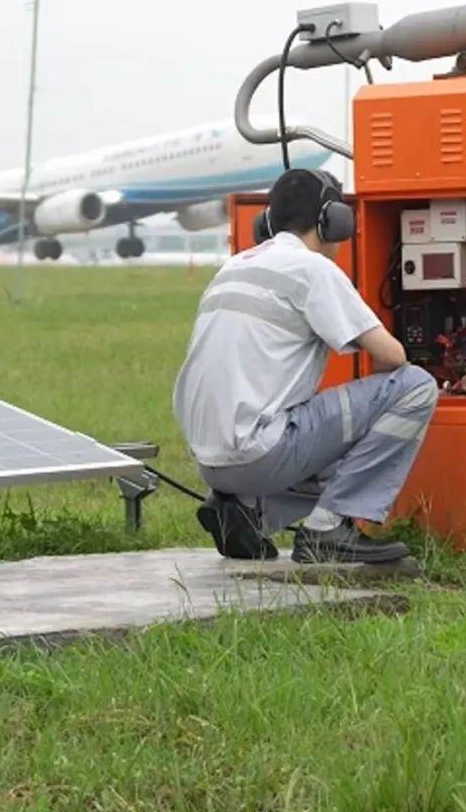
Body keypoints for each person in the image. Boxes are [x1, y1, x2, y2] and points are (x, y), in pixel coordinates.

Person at [173, 167, 437, 564]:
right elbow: (393, 356)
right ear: (331, 222)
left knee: (316, 430)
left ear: (268, 222)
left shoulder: (234, 266)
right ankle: (328, 529)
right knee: (414, 386)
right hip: (259, 454)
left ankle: (246, 511)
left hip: (211, 464)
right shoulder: (313, 269)